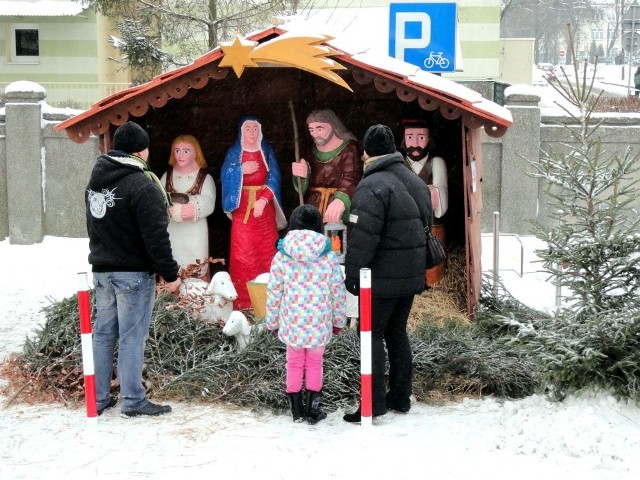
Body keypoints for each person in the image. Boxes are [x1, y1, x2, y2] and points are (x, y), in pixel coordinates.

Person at [85, 121, 181, 417]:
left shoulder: (94, 183)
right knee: (131, 336)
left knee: (103, 335)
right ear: (142, 150)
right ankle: (133, 399)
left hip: (102, 271)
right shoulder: (142, 185)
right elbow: (156, 237)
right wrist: (171, 273)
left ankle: (99, 398)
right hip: (133, 275)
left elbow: (94, 226)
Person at [343, 124, 432, 423]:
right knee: (397, 333)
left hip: (380, 278)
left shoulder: (372, 186)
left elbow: (363, 238)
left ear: (367, 152)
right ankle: (400, 397)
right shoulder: (414, 181)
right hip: (411, 275)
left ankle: (373, 403)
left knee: (370, 334)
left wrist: (354, 275)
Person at [265, 204, 347, 424]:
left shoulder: (282, 256)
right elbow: (337, 292)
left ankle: (295, 410)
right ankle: (313, 409)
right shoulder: (328, 257)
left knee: (293, 362)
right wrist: (339, 320)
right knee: (314, 363)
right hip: (319, 323)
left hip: (292, 322)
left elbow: (274, 291)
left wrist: (272, 322)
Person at [221, 115, 287, 310]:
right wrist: (241, 169)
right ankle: (244, 303)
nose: (252, 133)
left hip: (264, 213)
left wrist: (264, 199)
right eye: (248, 129)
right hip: (243, 213)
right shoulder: (234, 152)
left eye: (255, 128)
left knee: (268, 253)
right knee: (243, 255)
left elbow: (274, 175)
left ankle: (271, 302)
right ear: (241, 131)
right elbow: (225, 174)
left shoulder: (266, 150)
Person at [291, 109, 362, 223]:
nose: (315, 134)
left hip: (336, 206)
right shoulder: (310, 150)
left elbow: (351, 177)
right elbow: (303, 186)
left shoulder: (350, 148)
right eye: (311, 130)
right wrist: (302, 175)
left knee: (336, 236)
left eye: (320, 128)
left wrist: (341, 200)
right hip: (313, 205)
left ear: (333, 126)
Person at [161, 135, 215, 279]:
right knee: (172, 261)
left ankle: (196, 296)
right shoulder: (167, 176)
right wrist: (167, 209)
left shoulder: (205, 178)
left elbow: (209, 202)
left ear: (196, 152)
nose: (180, 155)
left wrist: (195, 207)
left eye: (186, 151)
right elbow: (158, 198)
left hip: (194, 234)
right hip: (173, 231)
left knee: (195, 265)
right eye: (177, 150)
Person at [401, 119, 448, 219]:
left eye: (421, 137)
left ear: (429, 139)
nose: (415, 144)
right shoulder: (399, 165)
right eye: (409, 137)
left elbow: (440, 208)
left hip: (431, 225)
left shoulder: (435, 163)